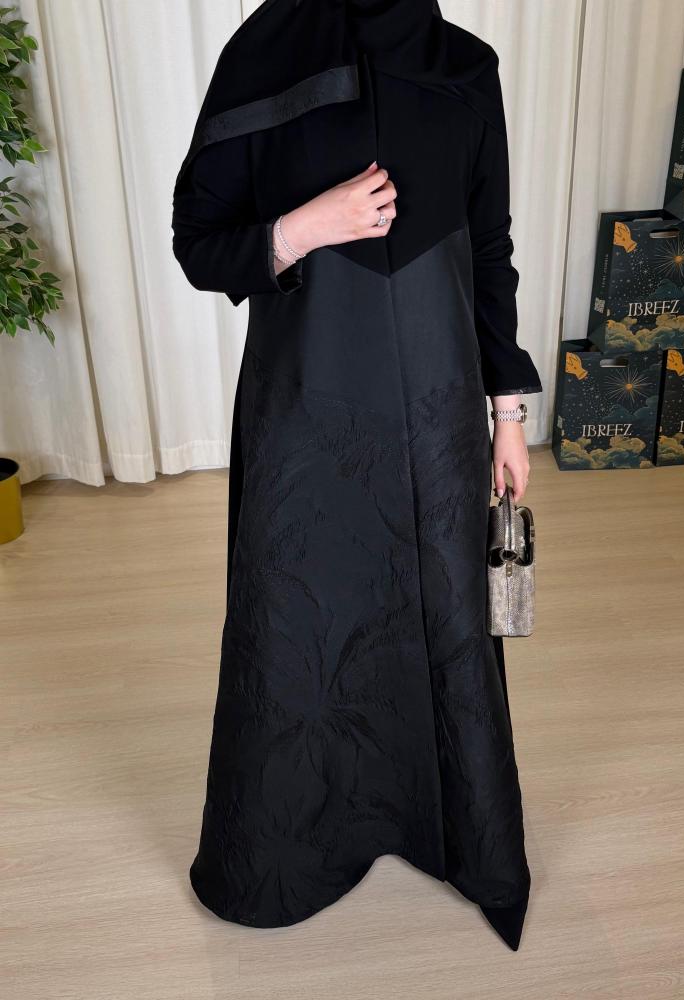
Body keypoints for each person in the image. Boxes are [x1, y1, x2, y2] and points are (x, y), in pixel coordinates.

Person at [171, 0, 543, 951]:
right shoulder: (265, 51)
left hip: (437, 407)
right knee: (303, 618)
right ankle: (294, 845)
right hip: (310, 406)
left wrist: (508, 414)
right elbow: (198, 241)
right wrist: (304, 228)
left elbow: (490, 246)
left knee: (441, 607)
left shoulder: (464, 65)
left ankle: (444, 827)